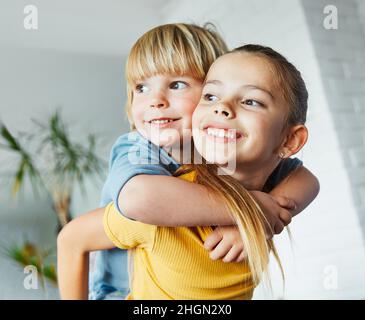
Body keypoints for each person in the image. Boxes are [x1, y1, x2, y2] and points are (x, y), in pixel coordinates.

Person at [57, 24, 319, 299]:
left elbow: (306, 180)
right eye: (141, 87)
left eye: (177, 85)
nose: (155, 100)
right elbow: (138, 198)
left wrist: (257, 220)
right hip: (120, 291)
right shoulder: (137, 148)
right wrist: (249, 211)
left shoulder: (221, 151)